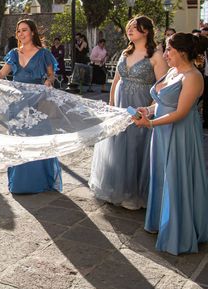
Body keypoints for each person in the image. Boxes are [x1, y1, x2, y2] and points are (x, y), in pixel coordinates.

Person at [132, 33, 208, 255]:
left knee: (176, 176)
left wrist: (150, 123)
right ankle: (161, 221)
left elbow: (181, 112)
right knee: (161, 176)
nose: (165, 54)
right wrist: (147, 111)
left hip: (179, 133)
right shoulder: (174, 72)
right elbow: (163, 103)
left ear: (182, 52)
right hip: (161, 131)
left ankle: (178, 231)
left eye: (169, 50)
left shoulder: (193, 77)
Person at [89, 16, 168, 209]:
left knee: (135, 145)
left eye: (134, 28)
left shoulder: (155, 56)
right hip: (120, 104)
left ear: (146, 31)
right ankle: (117, 188)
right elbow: (116, 80)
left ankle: (134, 193)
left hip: (141, 105)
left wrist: (149, 109)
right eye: (129, 27)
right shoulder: (125, 52)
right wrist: (111, 104)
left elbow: (162, 86)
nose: (129, 31)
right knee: (118, 144)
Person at [0, 18, 62, 194]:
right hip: (18, 104)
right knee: (19, 140)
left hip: (37, 104)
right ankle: (20, 183)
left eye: (24, 30)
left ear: (33, 32)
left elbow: (52, 76)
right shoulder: (13, 54)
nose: (21, 34)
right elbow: (1, 74)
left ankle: (39, 182)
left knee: (37, 140)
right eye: (18, 31)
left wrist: (48, 81)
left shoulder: (44, 54)